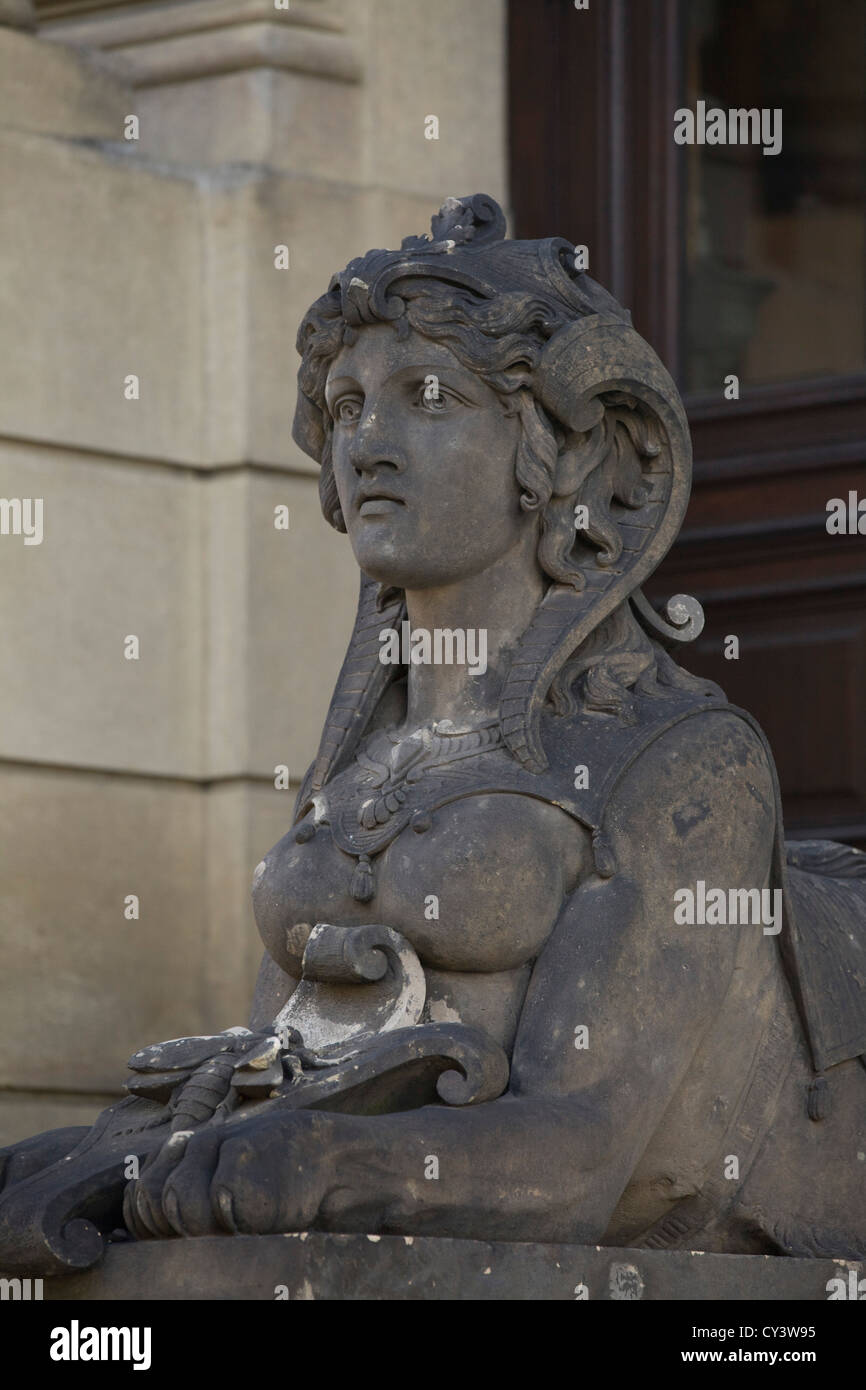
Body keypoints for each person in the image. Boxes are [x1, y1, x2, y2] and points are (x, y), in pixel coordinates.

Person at [1, 195, 863, 1271]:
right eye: (347, 403)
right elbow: (278, 1071)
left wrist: (312, 1163)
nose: (368, 441)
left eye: (429, 398)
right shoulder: (360, 757)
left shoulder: (683, 759)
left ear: (555, 454)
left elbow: (581, 1154)